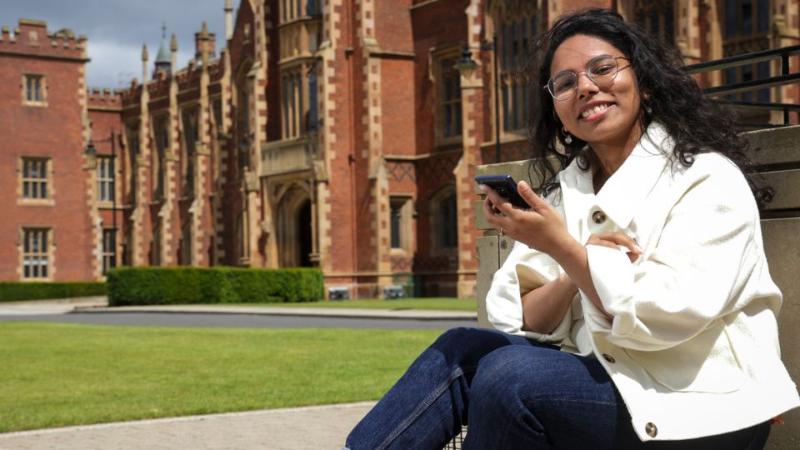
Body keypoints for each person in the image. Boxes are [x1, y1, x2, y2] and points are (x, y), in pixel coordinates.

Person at [343, 9, 799, 450]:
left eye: (602, 68)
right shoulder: (567, 190)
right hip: (611, 388)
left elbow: (667, 314)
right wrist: (571, 262)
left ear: (642, 77)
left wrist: (565, 248)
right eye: (565, 83)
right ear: (555, 107)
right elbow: (521, 319)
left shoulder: (706, 177)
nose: (585, 87)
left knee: (510, 380)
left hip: (703, 404)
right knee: (462, 351)